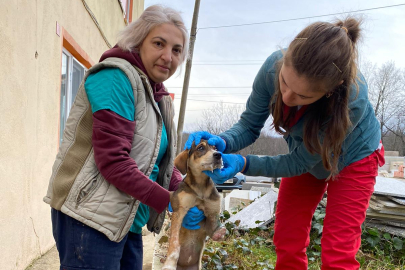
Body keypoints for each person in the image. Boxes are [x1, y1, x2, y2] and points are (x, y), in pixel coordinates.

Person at [185, 17, 385, 269]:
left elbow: (299, 162)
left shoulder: (351, 99)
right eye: (284, 83)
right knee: (287, 236)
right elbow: (248, 126)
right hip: (306, 153)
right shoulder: (272, 67)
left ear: (330, 91)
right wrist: (223, 141)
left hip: (354, 158)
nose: (288, 98)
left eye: (303, 95)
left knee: (338, 251)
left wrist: (244, 163)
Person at [44, 5, 204, 270]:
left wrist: (188, 192)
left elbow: (158, 163)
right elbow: (115, 163)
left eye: (177, 50)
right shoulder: (116, 78)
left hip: (128, 218)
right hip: (89, 217)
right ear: (138, 41)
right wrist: (173, 202)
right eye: (159, 43)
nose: (168, 56)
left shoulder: (158, 97)